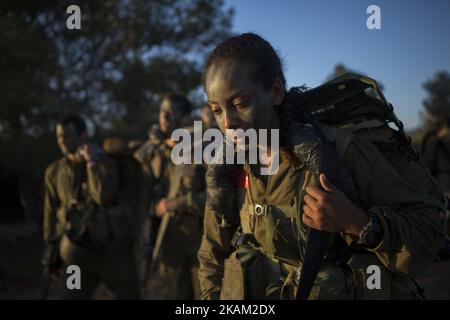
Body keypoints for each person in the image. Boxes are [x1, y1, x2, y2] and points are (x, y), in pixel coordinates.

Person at [197, 33, 446, 300]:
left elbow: (427, 232)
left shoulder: (338, 152)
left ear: (275, 93)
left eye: (240, 104)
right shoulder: (229, 168)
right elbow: (211, 255)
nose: (227, 123)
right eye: (217, 110)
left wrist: (358, 223)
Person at [42, 114, 141, 299]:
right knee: (71, 296)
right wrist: (51, 252)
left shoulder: (105, 162)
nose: (62, 141)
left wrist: (92, 163)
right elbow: (50, 212)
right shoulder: (54, 171)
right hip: (75, 255)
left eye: (67, 135)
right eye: (59, 136)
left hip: (112, 253)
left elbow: (102, 196)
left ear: (83, 136)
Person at [135, 95, 205, 299]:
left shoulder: (202, 146)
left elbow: (217, 197)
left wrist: (179, 203)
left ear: (185, 118)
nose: (164, 116)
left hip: (200, 239)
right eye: (162, 111)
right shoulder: (153, 152)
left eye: (172, 111)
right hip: (168, 239)